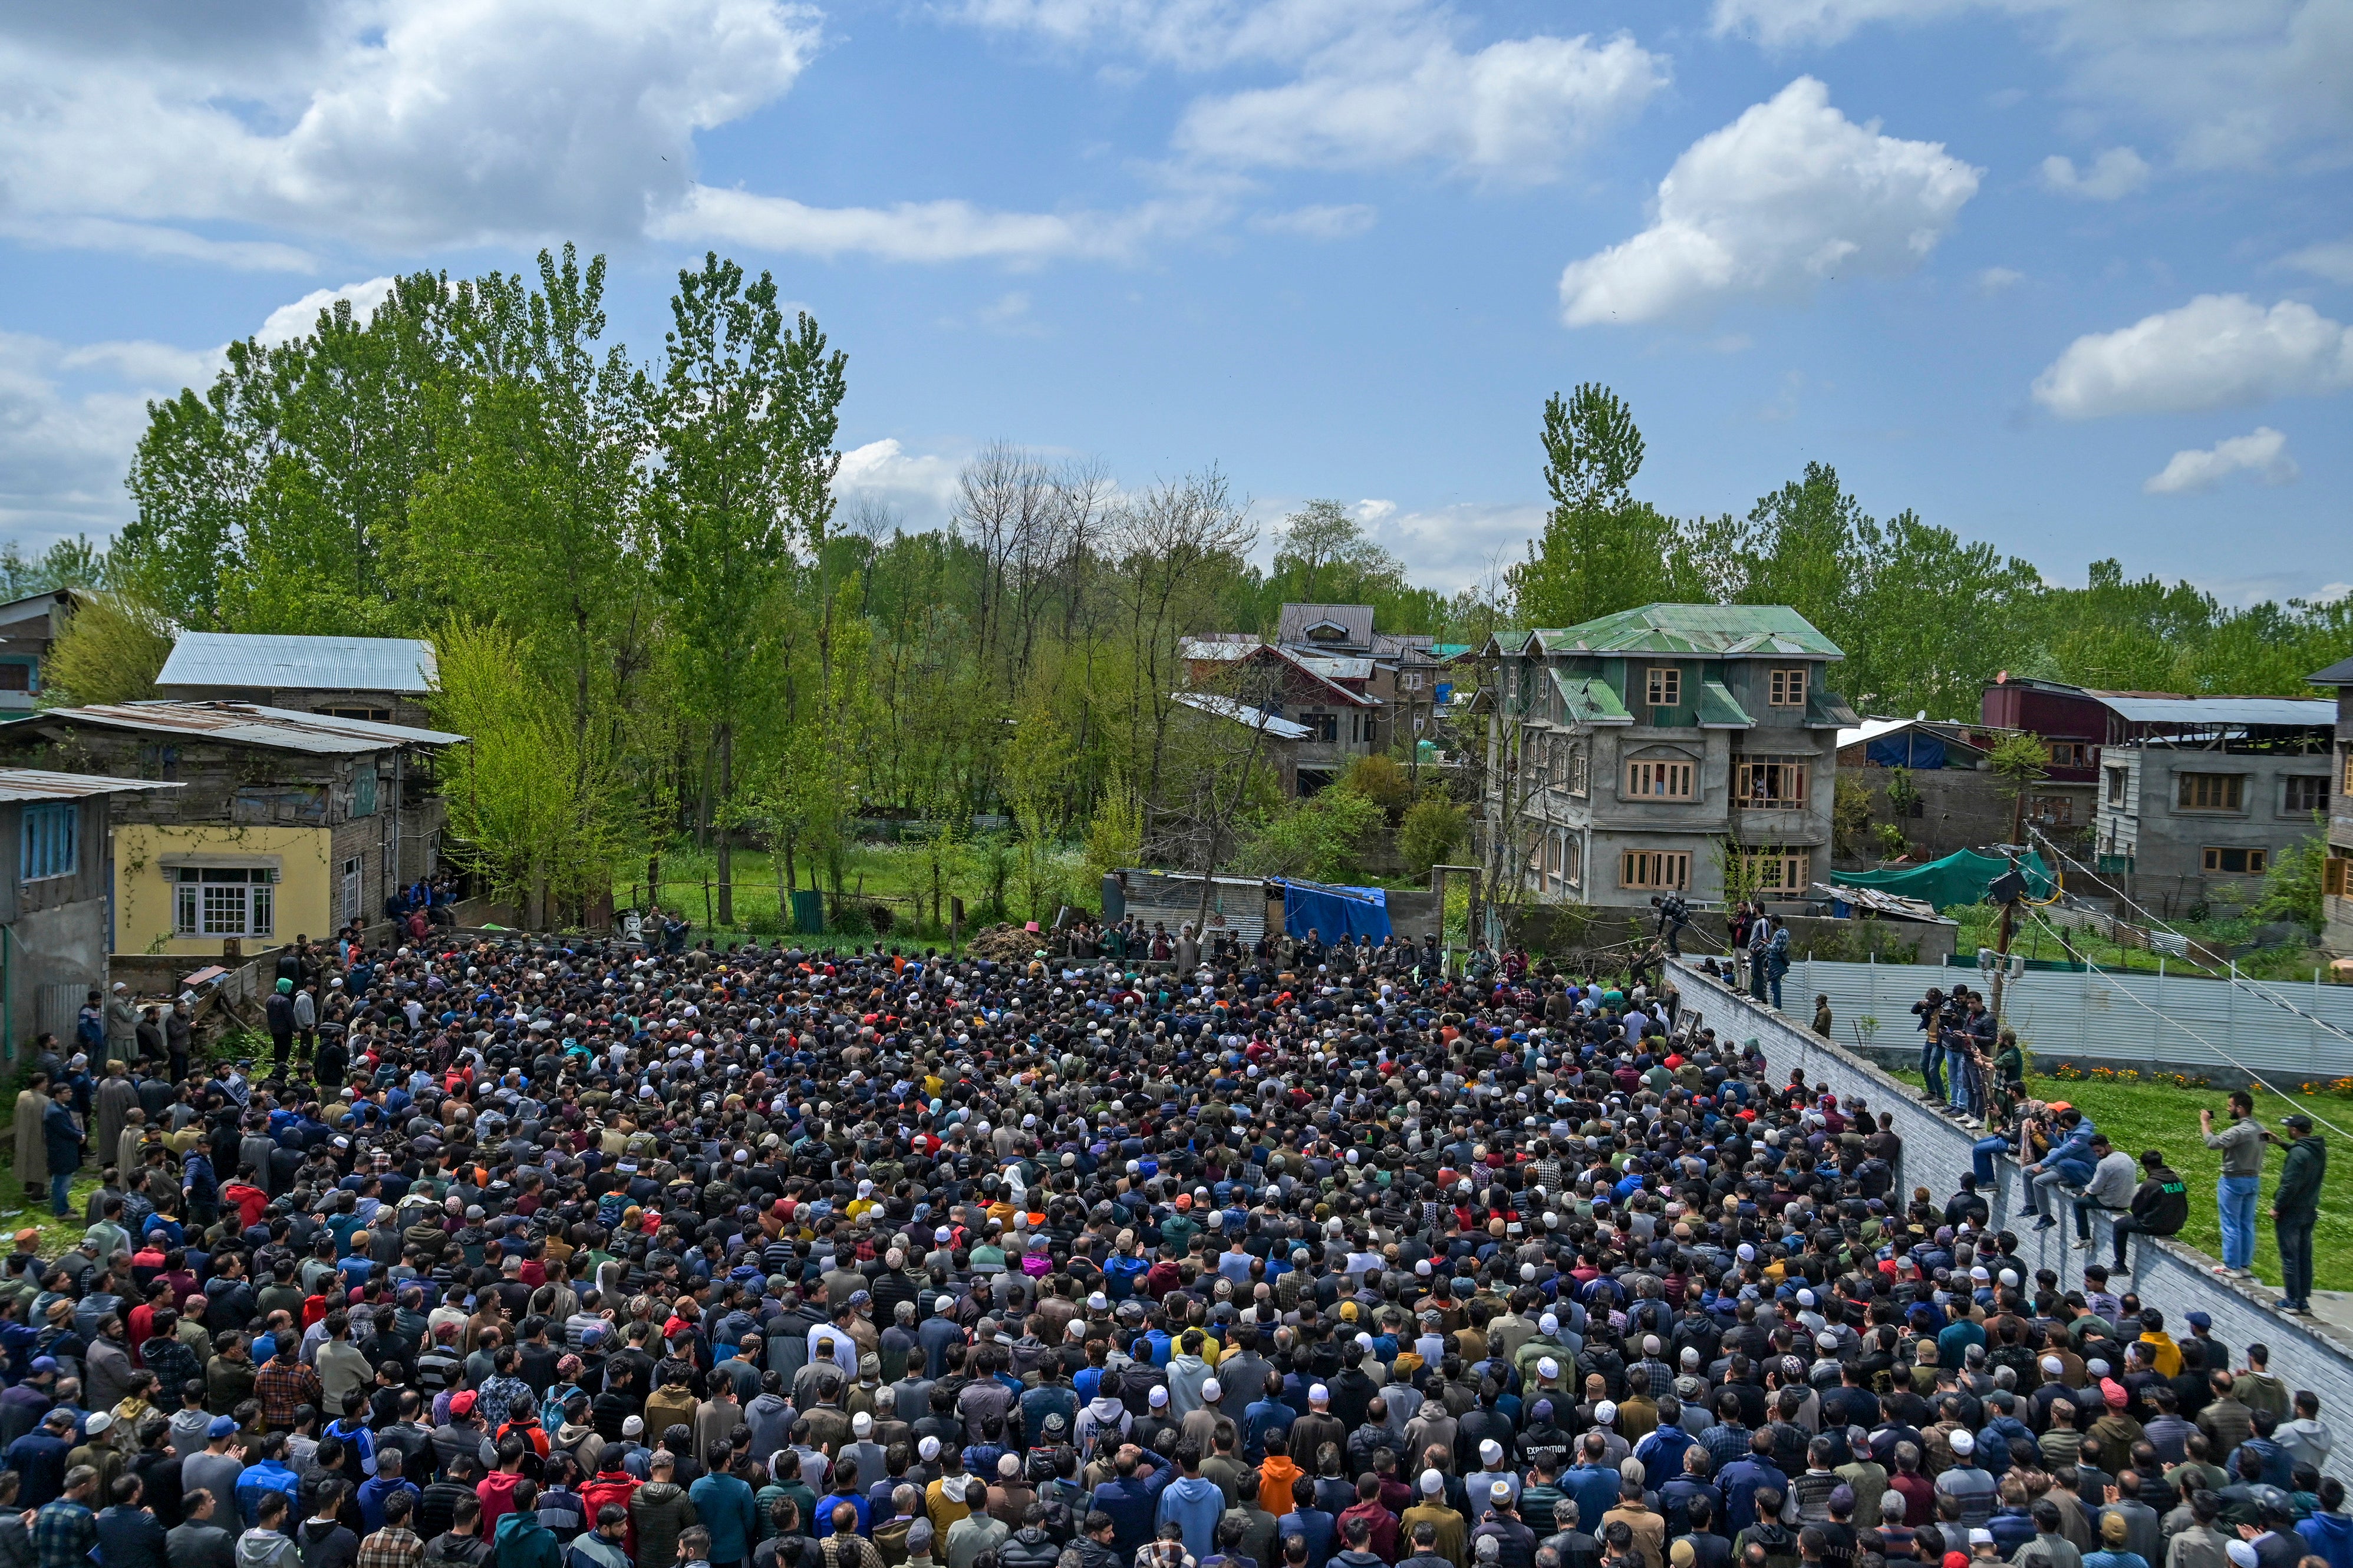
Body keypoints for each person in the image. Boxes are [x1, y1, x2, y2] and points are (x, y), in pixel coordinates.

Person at [2263, 1113, 2325, 1315]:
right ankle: (2303, 1302)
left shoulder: (2298, 1155)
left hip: (2292, 1213)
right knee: (2304, 1257)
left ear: (2295, 1130)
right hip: (2309, 1211)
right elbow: (2302, 1156)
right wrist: (2281, 1144)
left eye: (2289, 1127)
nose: (2287, 1129)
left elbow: (2289, 1185)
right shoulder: (2317, 1149)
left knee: (2290, 1257)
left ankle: (2291, 1301)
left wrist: (2277, 1208)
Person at [2199, 1091, 2265, 1279]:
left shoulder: (2238, 1131)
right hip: (2253, 1180)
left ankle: (2231, 1266)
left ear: (2240, 1108)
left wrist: (2205, 1122)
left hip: (2233, 1180)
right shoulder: (2260, 1128)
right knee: (2247, 1223)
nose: (2228, 1109)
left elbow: (2212, 1143)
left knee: (2231, 1224)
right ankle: (2244, 1265)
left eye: (2230, 1106)